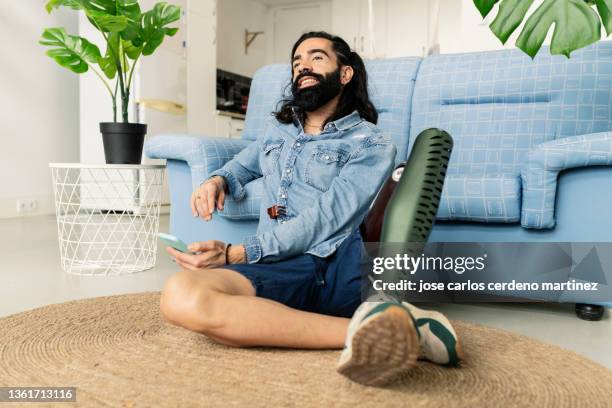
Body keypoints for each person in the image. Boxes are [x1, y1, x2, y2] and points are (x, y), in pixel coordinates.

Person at [160, 31, 462, 386]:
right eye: (297, 62)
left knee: (200, 309)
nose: (303, 66)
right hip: (277, 262)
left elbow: (327, 217)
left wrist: (237, 253)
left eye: (316, 57)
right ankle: (393, 328)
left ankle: (381, 324)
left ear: (345, 73)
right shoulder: (278, 131)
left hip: (327, 262)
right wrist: (217, 181)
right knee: (183, 295)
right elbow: (241, 167)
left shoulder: (370, 141)